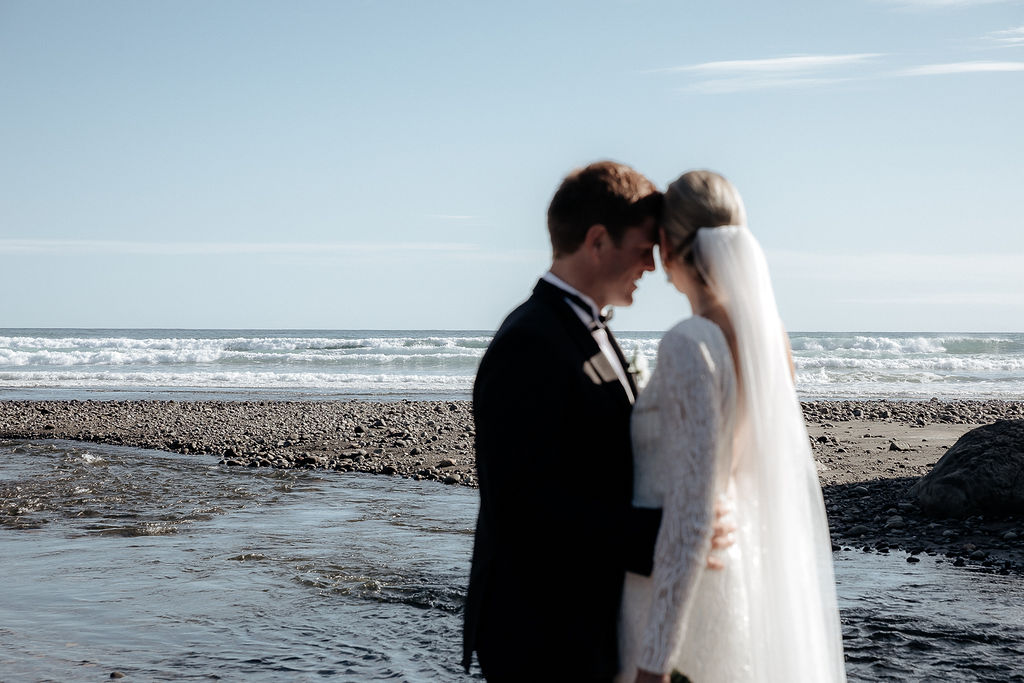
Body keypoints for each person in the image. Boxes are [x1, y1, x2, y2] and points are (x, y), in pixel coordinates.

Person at [617, 171, 847, 683]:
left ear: (670, 248)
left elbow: (692, 515)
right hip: (735, 574)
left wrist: (653, 665)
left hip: (676, 603)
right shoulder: (772, 341)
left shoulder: (689, 342)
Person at [462, 160, 668, 681]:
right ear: (597, 241)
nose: (652, 267)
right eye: (644, 250)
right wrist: (664, 536)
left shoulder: (580, 325)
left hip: (579, 616)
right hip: (541, 630)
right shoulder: (530, 342)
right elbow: (525, 506)